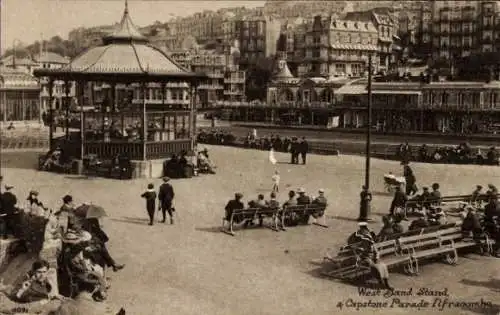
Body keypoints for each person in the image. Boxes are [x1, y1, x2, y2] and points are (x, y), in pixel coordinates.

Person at [349, 222, 393, 290]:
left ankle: (386, 283)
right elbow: (359, 252)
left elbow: (377, 252)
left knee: (383, 265)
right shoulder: (363, 243)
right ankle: (381, 282)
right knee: (375, 267)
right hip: (365, 259)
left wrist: (376, 257)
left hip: (372, 259)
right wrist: (358, 253)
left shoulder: (372, 244)